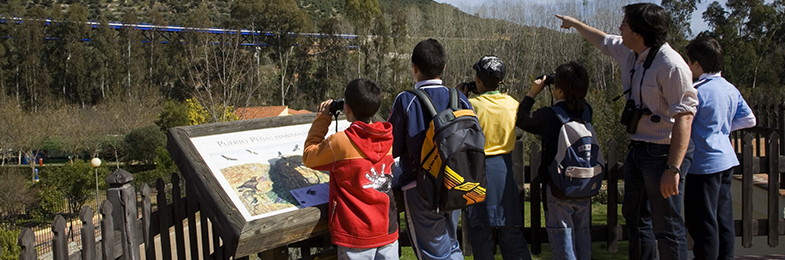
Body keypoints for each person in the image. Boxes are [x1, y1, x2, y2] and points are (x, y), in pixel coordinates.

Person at [556, 3, 698, 259]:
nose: (620, 27)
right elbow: (601, 40)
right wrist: (575, 24)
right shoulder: (631, 52)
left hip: (664, 153)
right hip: (639, 148)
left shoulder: (671, 66)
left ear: (639, 31)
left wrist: (673, 168)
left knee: (667, 225)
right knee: (634, 217)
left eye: (625, 23)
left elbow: (685, 119)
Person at [388, 38, 470, 260]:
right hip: (456, 182)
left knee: (432, 252)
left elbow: (393, 148)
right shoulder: (460, 98)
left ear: (414, 68)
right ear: (443, 67)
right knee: (452, 244)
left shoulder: (406, 100)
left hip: (419, 186)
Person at [302, 78, 398, 259]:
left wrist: (323, 117)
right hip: (387, 227)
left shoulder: (340, 142)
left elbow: (308, 156)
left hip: (355, 233)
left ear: (346, 109)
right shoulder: (387, 138)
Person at [683, 36, 755, 260]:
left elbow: (684, 123)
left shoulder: (697, 90)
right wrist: (721, 130)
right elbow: (749, 120)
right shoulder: (729, 88)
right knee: (723, 217)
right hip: (726, 160)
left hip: (703, 164)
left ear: (696, 64)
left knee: (703, 221)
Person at [456, 56, 531, 260]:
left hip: (477, 172)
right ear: (501, 82)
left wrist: (458, 96)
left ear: (478, 80)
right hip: (505, 172)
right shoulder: (512, 104)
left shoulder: (470, 105)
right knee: (511, 232)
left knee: (480, 235)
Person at [516, 62, 593, 260]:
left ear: (558, 89)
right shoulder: (587, 112)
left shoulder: (549, 116)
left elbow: (522, 119)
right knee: (582, 235)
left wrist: (533, 92)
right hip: (585, 183)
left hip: (559, 186)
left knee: (562, 238)